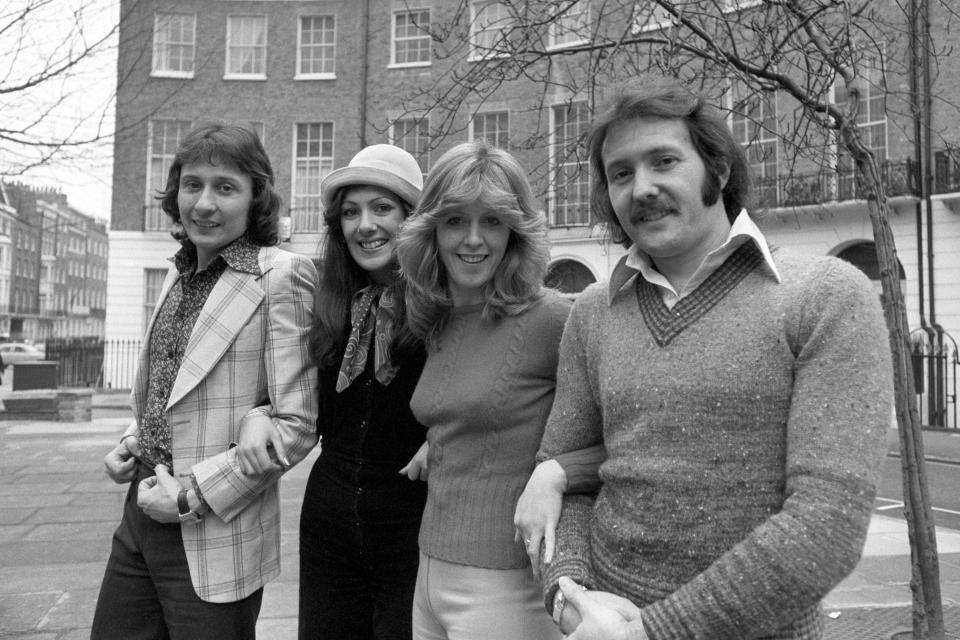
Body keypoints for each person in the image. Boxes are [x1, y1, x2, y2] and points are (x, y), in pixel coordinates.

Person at [536, 77, 894, 640]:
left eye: (663, 161)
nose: (641, 188)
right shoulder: (593, 313)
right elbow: (566, 480)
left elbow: (827, 524)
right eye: (621, 173)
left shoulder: (827, 297)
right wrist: (568, 594)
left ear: (718, 170)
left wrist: (650, 633)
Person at [91, 124, 319, 640]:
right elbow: (170, 391)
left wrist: (191, 497)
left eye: (225, 187)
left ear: (255, 196)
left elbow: (297, 424)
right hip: (139, 514)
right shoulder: (179, 270)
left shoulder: (282, 275)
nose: (204, 203)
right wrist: (132, 440)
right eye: (193, 184)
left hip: (215, 529)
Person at [239, 144, 428, 639]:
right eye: (350, 212)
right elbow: (285, 389)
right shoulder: (323, 298)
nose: (364, 225)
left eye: (382, 208)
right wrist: (259, 414)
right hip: (329, 525)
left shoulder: (447, 305)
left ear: (414, 219)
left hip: (415, 525)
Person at [394, 140, 570, 640]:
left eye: (492, 221)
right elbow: (482, 405)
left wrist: (556, 474)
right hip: (428, 573)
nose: (473, 239)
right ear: (431, 230)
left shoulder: (553, 318)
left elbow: (625, 425)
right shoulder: (438, 318)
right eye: (455, 221)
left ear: (516, 232)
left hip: (506, 587)